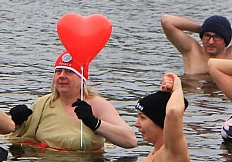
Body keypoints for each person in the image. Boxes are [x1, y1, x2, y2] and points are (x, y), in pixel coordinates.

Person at [8, 52, 137, 151]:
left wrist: (95, 123)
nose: (62, 76)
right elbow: (20, 134)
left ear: (82, 79)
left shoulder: (97, 104)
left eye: (69, 72)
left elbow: (130, 140)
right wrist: (17, 122)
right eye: (58, 71)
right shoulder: (44, 103)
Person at [130, 73, 191, 162]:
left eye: (142, 117)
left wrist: (177, 86)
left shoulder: (173, 152)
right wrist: (162, 95)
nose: (136, 123)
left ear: (160, 121)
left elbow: (173, 112)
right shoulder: (156, 151)